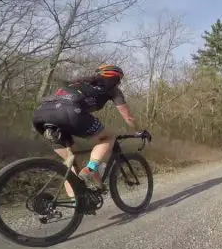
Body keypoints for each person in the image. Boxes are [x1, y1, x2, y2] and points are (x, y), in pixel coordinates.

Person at [32, 64, 146, 202]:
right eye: (119, 79)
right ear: (117, 78)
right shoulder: (113, 90)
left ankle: (77, 203)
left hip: (41, 115)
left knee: (71, 161)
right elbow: (128, 118)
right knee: (108, 137)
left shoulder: (78, 82)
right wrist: (138, 131)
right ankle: (91, 169)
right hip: (69, 112)